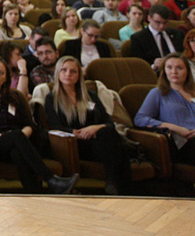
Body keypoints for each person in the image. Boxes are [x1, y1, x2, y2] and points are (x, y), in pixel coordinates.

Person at [0, 57, 77, 194]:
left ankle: (34, 194)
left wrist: (19, 139)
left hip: (19, 142)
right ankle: (51, 179)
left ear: (6, 77)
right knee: (15, 137)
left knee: (17, 152)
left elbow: (28, 124)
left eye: (1, 73)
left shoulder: (14, 97)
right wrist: (9, 137)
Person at [135, 53, 195, 197]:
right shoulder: (158, 93)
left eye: (179, 68)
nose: (174, 72)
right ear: (164, 71)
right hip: (184, 143)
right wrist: (172, 126)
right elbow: (140, 119)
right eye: (169, 67)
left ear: (188, 71)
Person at [43, 56, 132, 195]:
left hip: (99, 142)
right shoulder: (51, 98)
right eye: (64, 70)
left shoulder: (90, 95)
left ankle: (112, 183)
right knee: (118, 147)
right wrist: (76, 132)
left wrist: (94, 128)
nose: (68, 74)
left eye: (73, 71)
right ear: (58, 73)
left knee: (108, 133)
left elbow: (109, 122)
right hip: (75, 144)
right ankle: (120, 186)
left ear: (79, 75)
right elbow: (55, 126)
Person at [129, 4, 184, 71]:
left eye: (165, 22)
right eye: (158, 22)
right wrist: (153, 66)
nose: (162, 26)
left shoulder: (178, 34)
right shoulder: (138, 38)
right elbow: (137, 64)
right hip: (155, 73)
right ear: (149, 18)